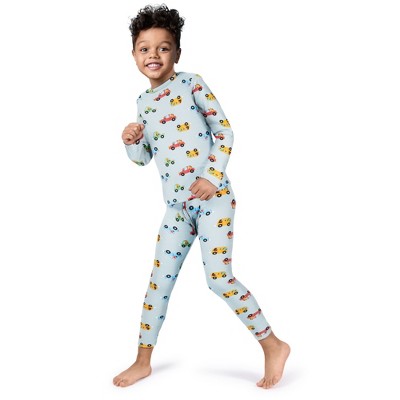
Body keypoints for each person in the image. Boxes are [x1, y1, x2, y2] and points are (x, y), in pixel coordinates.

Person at [113, 4, 290, 390]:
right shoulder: (143, 103)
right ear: (134, 55)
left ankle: (273, 344)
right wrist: (131, 141)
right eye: (145, 49)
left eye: (163, 48)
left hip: (214, 200)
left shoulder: (192, 83)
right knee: (158, 282)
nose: (154, 55)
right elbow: (143, 159)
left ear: (177, 53)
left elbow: (224, 131)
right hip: (176, 208)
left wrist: (212, 176)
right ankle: (142, 361)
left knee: (218, 278)